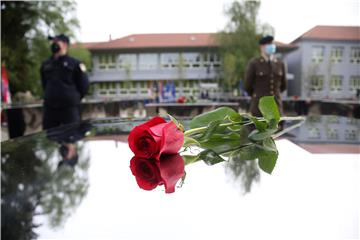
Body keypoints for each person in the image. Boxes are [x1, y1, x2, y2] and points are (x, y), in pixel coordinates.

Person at [40, 33, 89, 130]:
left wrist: (73, 98)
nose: (54, 44)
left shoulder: (75, 63)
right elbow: (44, 84)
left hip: (69, 109)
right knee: (49, 138)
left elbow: (84, 85)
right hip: (50, 109)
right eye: (53, 42)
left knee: (72, 136)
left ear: (65, 45)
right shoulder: (46, 64)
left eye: (57, 42)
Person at [244, 35, 287, 117]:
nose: (272, 46)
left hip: (276, 108)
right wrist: (257, 95)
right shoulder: (254, 63)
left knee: (278, 129)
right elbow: (247, 86)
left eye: (272, 44)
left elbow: (283, 86)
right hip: (258, 109)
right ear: (261, 47)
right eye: (268, 44)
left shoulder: (280, 64)